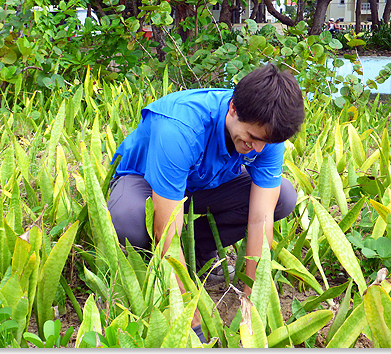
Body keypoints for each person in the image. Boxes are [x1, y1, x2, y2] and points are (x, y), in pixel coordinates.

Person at [107, 63, 305, 342]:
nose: (258, 149)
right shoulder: (180, 129)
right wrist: (188, 310)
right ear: (233, 109)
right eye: (251, 138)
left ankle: (198, 251)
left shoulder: (267, 133)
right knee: (128, 221)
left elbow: (261, 218)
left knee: (282, 197)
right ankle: (148, 266)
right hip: (146, 183)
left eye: (265, 143)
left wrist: (252, 302)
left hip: (202, 185)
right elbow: (167, 229)